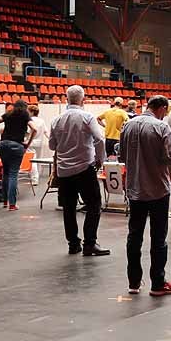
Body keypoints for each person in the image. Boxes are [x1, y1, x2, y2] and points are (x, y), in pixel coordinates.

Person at [120, 95, 171, 297]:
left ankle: (134, 282)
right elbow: (169, 157)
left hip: (135, 189)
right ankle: (158, 283)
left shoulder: (128, 125)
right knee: (159, 238)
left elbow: (121, 156)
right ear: (162, 108)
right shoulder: (161, 127)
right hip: (157, 189)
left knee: (134, 236)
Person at [48, 85, 109, 256]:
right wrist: (100, 159)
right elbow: (99, 139)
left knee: (69, 208)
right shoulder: (87, 117)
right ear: (83, 99)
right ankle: (90, 243)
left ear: (66, 99)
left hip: (64, 171)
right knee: (94, 205)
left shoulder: (56, 120)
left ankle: (73, 243)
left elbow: (52, 145)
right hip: (84, 168)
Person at [0, 99, 36, 211]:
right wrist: (27, 143)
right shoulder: (25, 115)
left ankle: (5, 201)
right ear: (25, 107)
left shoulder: (8, 114)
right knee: (13, 174)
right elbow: (34, 129)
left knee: (5, 173)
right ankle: (12, 204)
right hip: (17, 146)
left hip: (3, 145)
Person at [27, 104, 48, 185]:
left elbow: (28, 133)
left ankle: (35, 179)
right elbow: (46, 132)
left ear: (32, 112)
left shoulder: (29, 120)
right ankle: (37, 176)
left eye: (28, 111)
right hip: (40, 143)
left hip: (31, 143)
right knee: (38, 160)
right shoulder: (42, 121)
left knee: (33, 161)